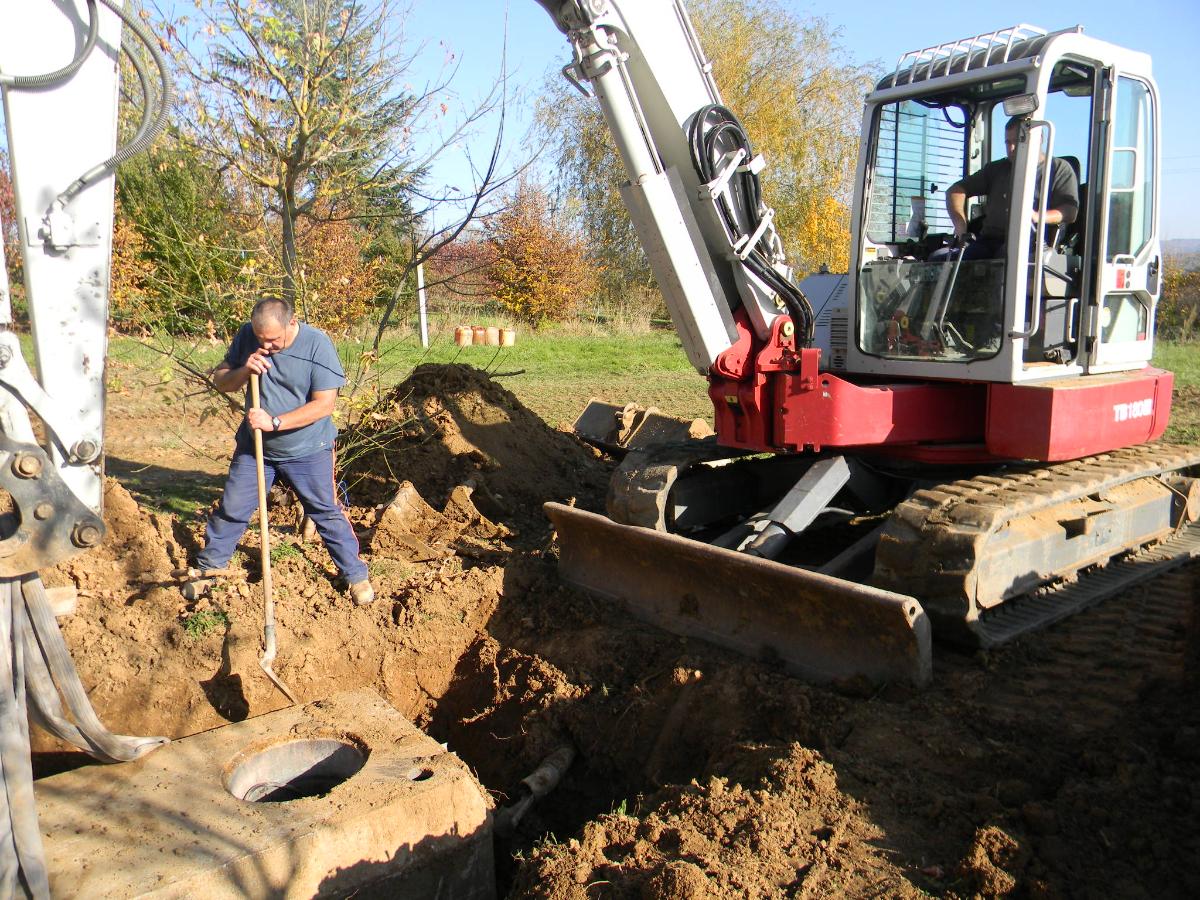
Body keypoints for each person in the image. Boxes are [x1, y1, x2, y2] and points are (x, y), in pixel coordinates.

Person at [186, 297, 374, 605]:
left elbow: (325, 405)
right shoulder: (248, 336)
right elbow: (222, 382)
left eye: (273, 339)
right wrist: (245, 369)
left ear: (292, 322)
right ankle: (210, 570)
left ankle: (355, 576)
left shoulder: (317, 345)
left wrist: (275, 422)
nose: (267, 345)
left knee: (324, 510)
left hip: (308, 447)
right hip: (255, 448)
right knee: (233, 508)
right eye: (261, 339)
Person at [946, 115, 1079, 260]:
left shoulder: (1059, 169)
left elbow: (1070, 212)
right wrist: (960, 225)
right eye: (1007, 142)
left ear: (1039, 139)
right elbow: (956, 190)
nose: (1011, 148)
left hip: (1030, 243)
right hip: (988, 242)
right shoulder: (996, 169)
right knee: (943, 260)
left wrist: (1035, 216)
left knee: (1005, 259)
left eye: (1017, 141)